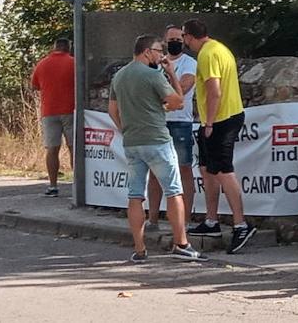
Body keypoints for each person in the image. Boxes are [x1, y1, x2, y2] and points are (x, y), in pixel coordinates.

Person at [108, 34, 207, 262]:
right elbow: (178, 102)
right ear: (146, 52)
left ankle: (140, 249)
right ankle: (181, 243)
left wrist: (125, 129)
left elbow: (112, 110)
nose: (162, 55)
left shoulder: (119, 76)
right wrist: (171, 73)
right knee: (173, 191)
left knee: (135, 195)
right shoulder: (153, 75)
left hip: (132, 142)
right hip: (157, 140)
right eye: (158, 50)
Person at [182, 19, 254, 254]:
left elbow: (214, 90)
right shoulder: (220, 48)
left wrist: (210, 122)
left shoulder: (207, 54)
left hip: (222, 118)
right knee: (206, 168)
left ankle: (241, 224)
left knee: (223, 170)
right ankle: (211, 221)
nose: (184, 42)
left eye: (184, 37)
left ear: (190, 36)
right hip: (217, 118)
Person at [147, 25, 198, 229]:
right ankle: (152, 218)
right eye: (171, 40)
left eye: (179, 39)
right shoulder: (154, 64)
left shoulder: (189, 63)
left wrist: (169, 74)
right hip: (158, 121)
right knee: (154, 171)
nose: (175, 43)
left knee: (184, 168)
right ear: (164, 42)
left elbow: (183, 90)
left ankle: (184, 220)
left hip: (180, 122)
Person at [30, 38, 75, 197]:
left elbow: (34, 86)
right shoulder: (73, 63)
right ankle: (77, 186)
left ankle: (53, 186)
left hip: (49, 111)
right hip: (71, 110)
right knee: (73, 148)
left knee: (52, 149)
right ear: (68, 48)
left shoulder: (42, 64)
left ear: (54, 47)